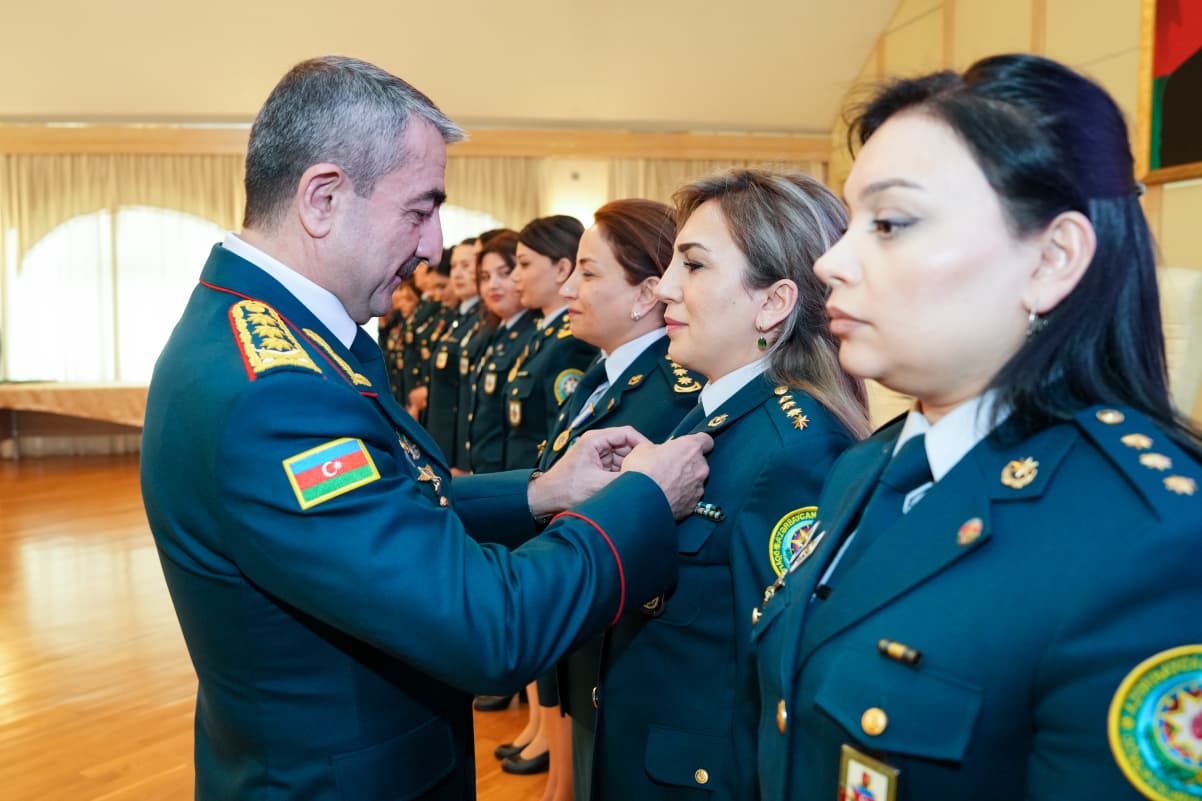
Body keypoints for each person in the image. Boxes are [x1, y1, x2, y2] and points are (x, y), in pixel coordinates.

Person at [140, 55, 713, 801]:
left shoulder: (264, 336)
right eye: (418, 210)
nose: (434, 247)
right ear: (323, 199)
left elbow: (388, 508)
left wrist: (543, 492)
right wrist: (642, 500)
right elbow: (490, 628)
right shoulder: (276, 395)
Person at [753, 54, 1202, 801]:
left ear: (1052, 258)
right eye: (851, 220)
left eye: (890, 223)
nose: (831, 261)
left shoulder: (1152, 542)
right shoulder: (866, 468)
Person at [590, 170, 869, 801]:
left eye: (693, 265)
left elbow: (778, 684)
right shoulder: (712, 414)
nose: (665, 287)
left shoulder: (794, 450)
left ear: (773, 303)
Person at [500, 199, 706, 799]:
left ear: (646, 293)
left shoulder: (672, 395)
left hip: (619, 637)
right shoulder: (602, 375)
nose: (569, 288)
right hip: (582, 625)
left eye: (588, 273)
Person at [504, 215, 598, 471]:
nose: (514, 276)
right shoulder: (541, 334)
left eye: (524, 264)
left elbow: (559, 439)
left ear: (561, 269)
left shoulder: (571, 343)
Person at [464, 231, 536, 474]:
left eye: (504, 273)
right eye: (485, 277)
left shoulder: (533, 336)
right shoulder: (497, 333)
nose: (492, 285)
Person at [424, 238, 480, 456]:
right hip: (442, 439)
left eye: (466, 266)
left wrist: (463, 461)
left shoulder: (482, 322)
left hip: (460, 450)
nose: (457, 274)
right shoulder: (458, 317)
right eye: (454, 266)